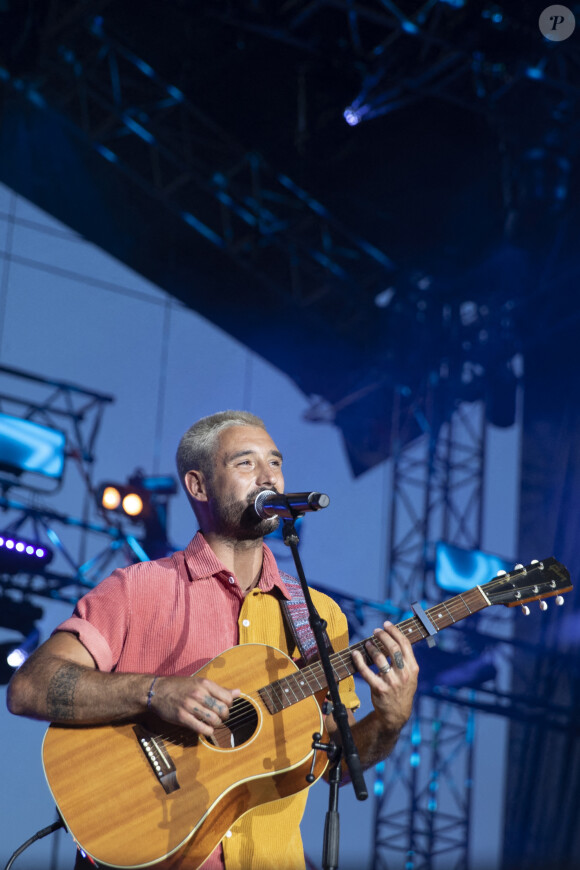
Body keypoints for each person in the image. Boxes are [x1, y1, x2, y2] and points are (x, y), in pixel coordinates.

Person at [7, 410, 419, 870]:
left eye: (276, 463)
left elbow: (335, 768)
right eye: (246, 464)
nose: (269, 476)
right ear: (198, 486)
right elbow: (29, 687)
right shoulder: (137, 588)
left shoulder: (319, 616)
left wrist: (391, 719)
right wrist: (154, 692)